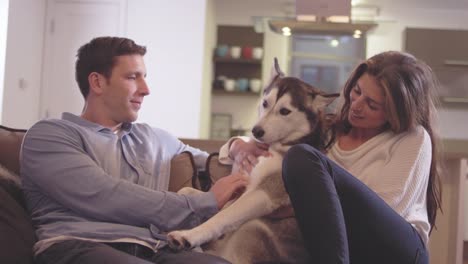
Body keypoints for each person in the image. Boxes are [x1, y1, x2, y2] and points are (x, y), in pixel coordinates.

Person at [20, 36, 248, 264]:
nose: (146, 90)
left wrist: (238, 145)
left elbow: (212, 161)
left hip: (157, 249)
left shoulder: (154, 137)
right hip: (80, 244)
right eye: (132, 77)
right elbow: (104, 195)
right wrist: (203, 203)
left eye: (145, 78)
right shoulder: (49, 136)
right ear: (97, 82)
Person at [228, 51, 442, 264]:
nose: (357, 105)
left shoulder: (413, 138)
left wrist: (292, 205)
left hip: (395, 250)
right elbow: (262, 140)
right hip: (342, 247)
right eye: (356, 91)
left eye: (372, 104)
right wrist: (237, 146)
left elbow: (386, 209)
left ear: (395, 113)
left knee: (300, 156)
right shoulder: (328, 131)